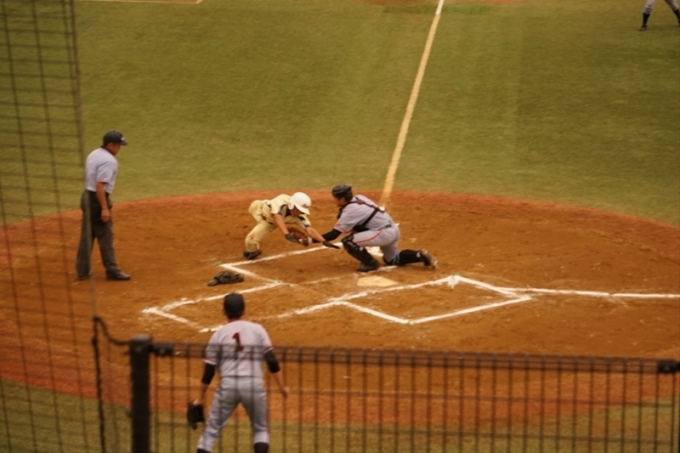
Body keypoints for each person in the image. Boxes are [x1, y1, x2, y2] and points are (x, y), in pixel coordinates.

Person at [193, 292, 289, 453]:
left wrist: (199, 399)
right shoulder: (258, 330)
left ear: (223, 312)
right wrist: (282, 387)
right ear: (244, 311)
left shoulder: (218, 335)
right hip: (253, 386)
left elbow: (208, 372)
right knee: (261, 429)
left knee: (210, 432)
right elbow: (271, 360)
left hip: (228, 386)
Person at [319, 184, 438, 272]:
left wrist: (312, 239)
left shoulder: (350, 212)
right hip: (393, 230)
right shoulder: (360, 198)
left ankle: (371, 264)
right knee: (392, 259)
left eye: (335, 197)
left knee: (348, 241)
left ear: (342, 199)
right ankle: (419, 255)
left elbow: (334, 234)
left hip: (383, 234)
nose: (334, 200)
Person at [75, 130, 131, 281]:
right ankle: (112, 270)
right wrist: (104, 208)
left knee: (87, 235)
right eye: (118, 145)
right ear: (110, 145)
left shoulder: (94, 154)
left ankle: (82, 270)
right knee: (105, 236)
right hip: (97, 200)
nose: (119, 148)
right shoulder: (109, 161)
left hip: (86, 197)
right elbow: (100, 185)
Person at [243, 192, 326, 259]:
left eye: (302, 211)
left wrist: (324, 241)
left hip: (269, 224)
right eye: (298, 210)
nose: (299, 213)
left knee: (250, 240)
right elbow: (277, 217)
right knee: (252, 206)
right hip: (257, 208)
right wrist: (287, 234)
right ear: (292, 205)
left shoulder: (300, 217)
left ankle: (254, 252)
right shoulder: (282, 200)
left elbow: (310, 230)